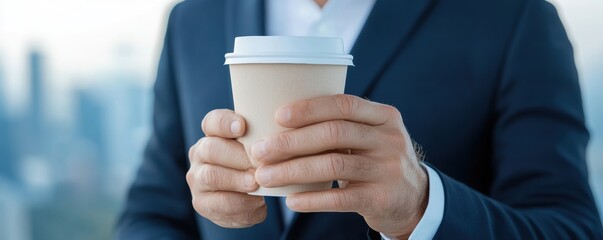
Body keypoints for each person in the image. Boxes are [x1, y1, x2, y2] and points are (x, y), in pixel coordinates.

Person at [116, 0, 603, 239]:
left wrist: (423, 207)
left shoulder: (512, 16)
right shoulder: (194, 19)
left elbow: (571, 227)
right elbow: (149, 217)